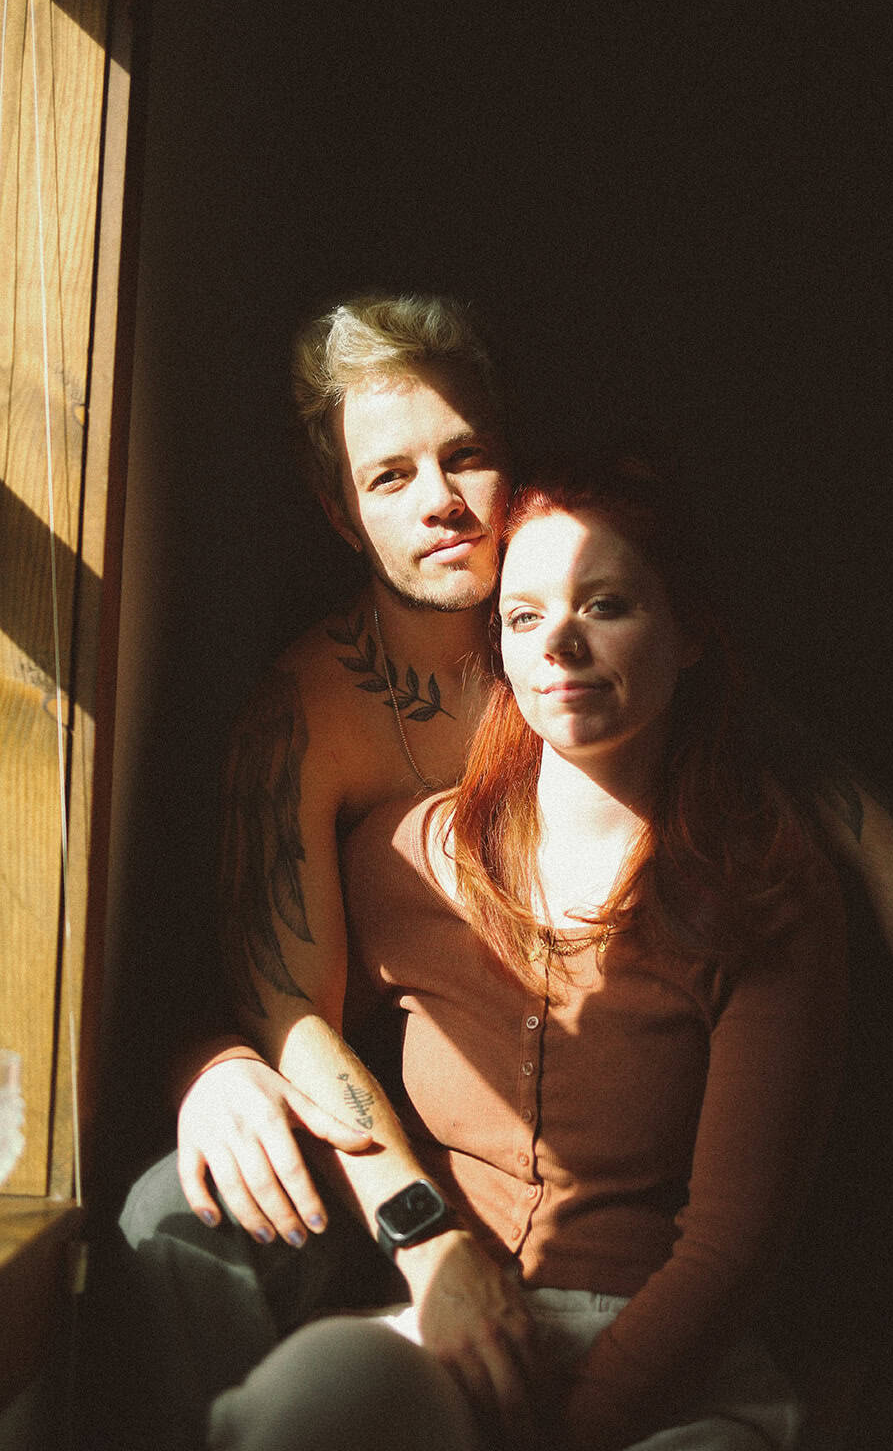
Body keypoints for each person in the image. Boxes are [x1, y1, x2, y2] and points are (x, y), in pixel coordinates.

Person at [162, 290, 893, 1338]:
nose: (441, 502)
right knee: (175, 1229)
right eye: (390, 476)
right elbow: (287, 1007)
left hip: (671, 1136)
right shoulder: (305, 715)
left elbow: (885, 852)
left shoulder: (609, 645)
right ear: (339, 512)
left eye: (465, 456)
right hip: (423, 1141)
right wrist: (402, 1215)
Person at [202, 461, 849, 1451]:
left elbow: (729, 1252)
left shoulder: (764, 884)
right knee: (308, 1402)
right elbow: (269, 1009)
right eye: (523, 615)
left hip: (674, 1374)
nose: (560, 644)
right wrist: (219, 1070)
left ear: (687, 635)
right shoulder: (410, 856)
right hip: (449, 1334)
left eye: (608, 604)